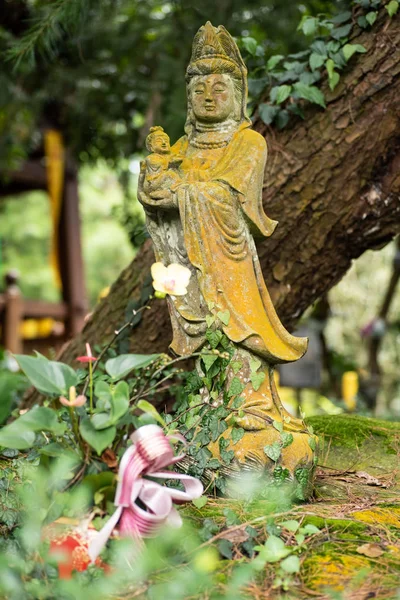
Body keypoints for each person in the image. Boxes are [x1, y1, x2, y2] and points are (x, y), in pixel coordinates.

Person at [138, 23, 314, 470]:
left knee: (238, 334)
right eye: (200, 88)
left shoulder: (247, 143)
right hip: (192, 266)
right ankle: (211, 411)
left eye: (220, 87)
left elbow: (228, 196)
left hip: (229, 262)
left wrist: (182, 193)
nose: (209, 96)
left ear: (239, 94)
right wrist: (154, 191)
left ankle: (253, 410)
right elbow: (160, 189)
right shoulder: (178, 148)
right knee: (205, 347)